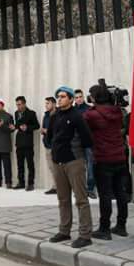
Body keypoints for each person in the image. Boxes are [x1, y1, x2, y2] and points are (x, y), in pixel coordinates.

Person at [46, 86, 93, 249]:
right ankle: (64, 230)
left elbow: (87, 139)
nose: (59, 99)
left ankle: (85, 235)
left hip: (74, 162)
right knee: (63, 199)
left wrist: (78, 154)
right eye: (58, 96)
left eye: (63, 96)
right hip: (58, 162)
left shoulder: (77, 116)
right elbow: (50, 136)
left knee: (81, 199)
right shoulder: (54, 116)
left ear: (71, 99)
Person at [83, 83, 129, 240]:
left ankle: (104, 228)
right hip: (120, 157)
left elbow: (83, 126)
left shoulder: (92, 114)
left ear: (95, 97)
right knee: (121, 193)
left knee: (105, 195)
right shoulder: (118, 111)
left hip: (103, 159)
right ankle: (121, 226)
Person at [14, 96, 40, 190]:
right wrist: (15, 127)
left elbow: (37, 126)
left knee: (30, 164)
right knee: (20, 164)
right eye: (17, 104)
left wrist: (27, 127)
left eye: (20, 104)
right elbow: (17, 124)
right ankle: (21, 182)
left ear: (24, 104)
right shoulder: (16, 113)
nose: (18, 106)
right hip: (19, 142)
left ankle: (31, 183)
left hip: (28, 142)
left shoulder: (31, 113)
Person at [75, 89, 96, 199]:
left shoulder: (89, 109)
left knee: (90, 166)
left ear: (83, 97)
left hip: (88, 142)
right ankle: (79, 189)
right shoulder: (72, 110)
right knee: (78, 167)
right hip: (76, 143)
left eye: (80, 97)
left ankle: (90, 189)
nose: (78, 99)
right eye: (76, 97)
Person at [41, 97, 57, 195]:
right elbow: (44, 128)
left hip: (56, 145)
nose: (46, 105)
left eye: (48, 103)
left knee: (57, 168)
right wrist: (43, 131)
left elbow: (59, 130)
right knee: (52, 168)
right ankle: (55, 186)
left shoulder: (58, 114)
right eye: (45, 103)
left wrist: (48, 131)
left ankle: (58, 187)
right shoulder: (46, 115)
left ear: (54, 104)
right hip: (48, 145)